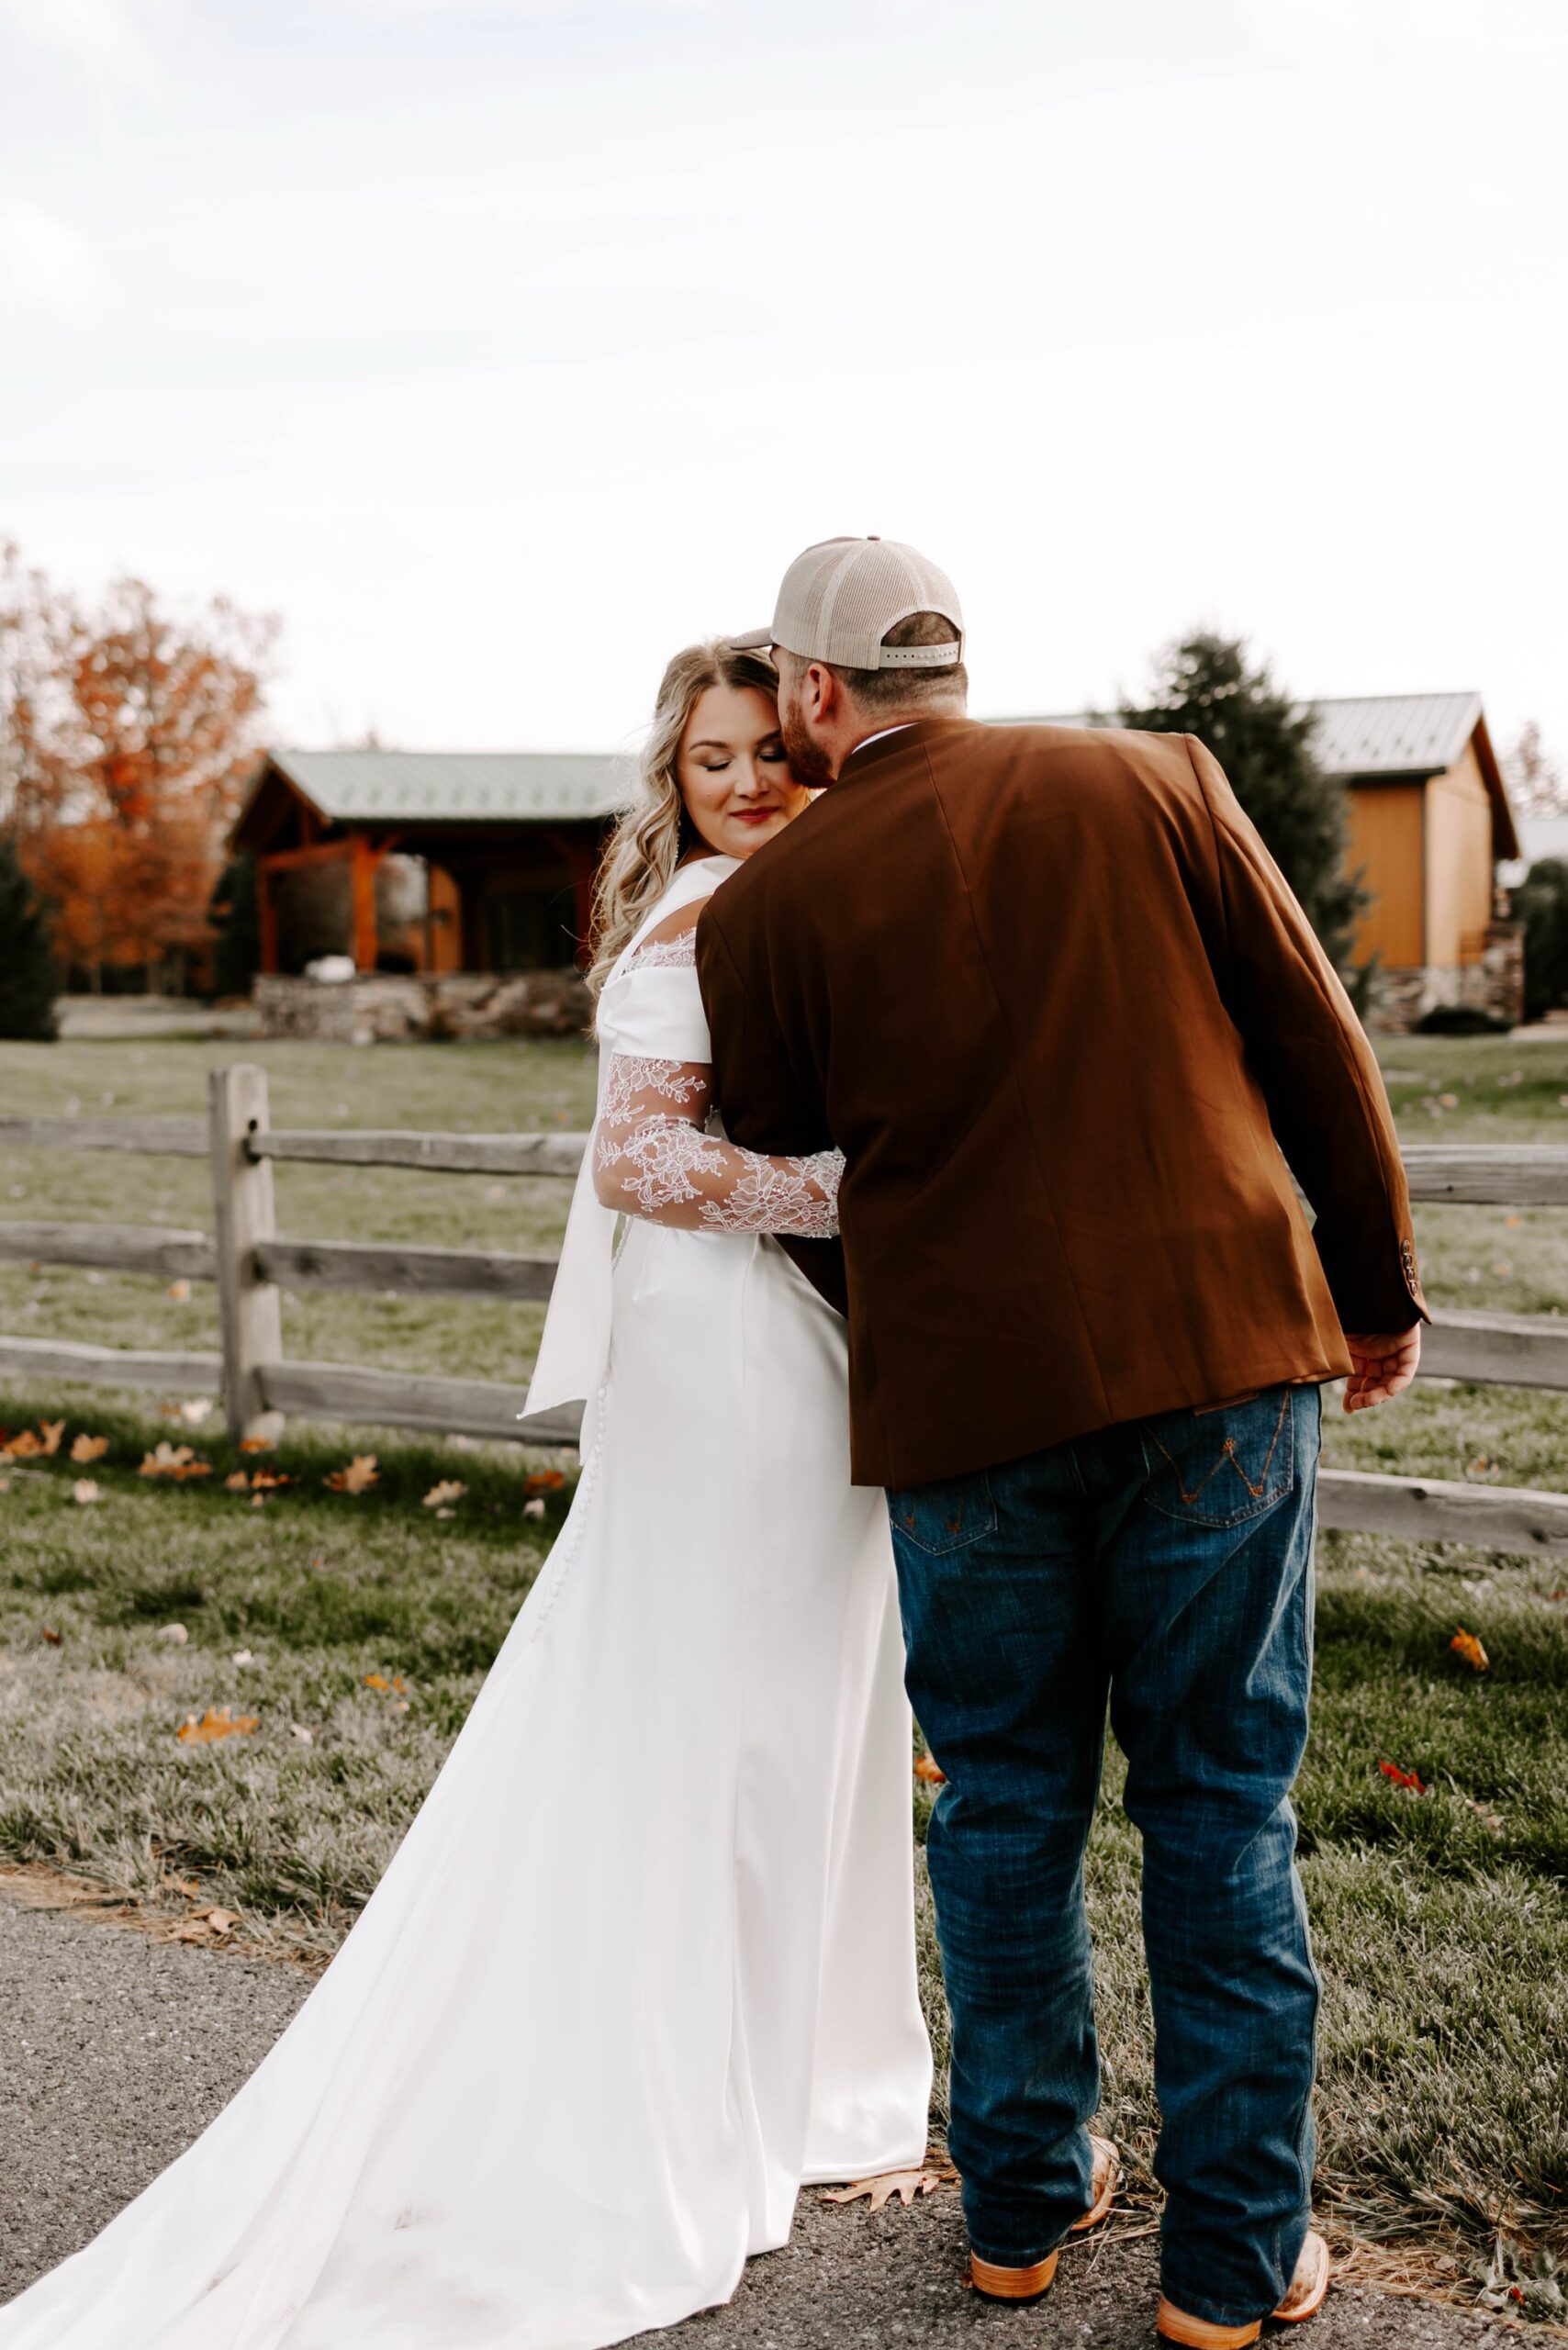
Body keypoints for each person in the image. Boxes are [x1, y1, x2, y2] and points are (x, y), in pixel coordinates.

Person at [0, 641, 933, 2350]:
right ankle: (715, 2091)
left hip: (772, 1341)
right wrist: (845, 1191)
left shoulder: (799, 904)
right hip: (725, 1354)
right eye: (712, 760)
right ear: (676, 777)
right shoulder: (701, 920)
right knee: (730, 1713)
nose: (745, 785)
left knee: (794, 1707)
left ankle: (802, 2077)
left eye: (771, 758)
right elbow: (639, 1156)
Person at [699, 537, 1427, 2346]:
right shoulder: (1150, 775)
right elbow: (1310, 1035)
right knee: (1217, 1804)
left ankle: (1019, 2208)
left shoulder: (763, 908)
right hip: (1212, 1353)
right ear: (950, 659)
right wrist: (1374, 1282)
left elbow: (786, 1161)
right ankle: (1232, 2260)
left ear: (811, 692)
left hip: (966, 1401)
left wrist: (915, 1297)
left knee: (1006, 1802)